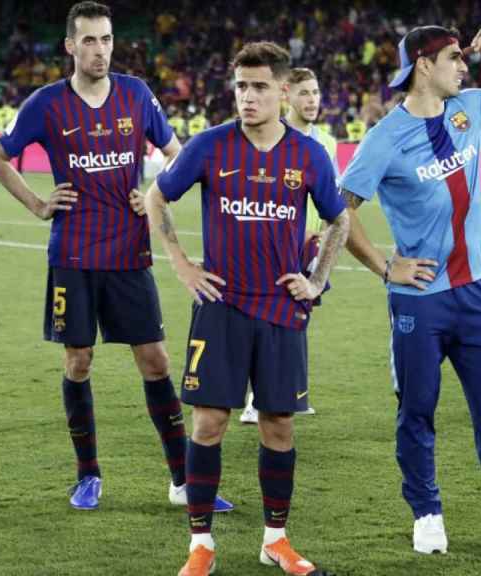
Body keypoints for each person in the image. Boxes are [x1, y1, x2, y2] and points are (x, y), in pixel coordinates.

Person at [339, 25, 481, 565]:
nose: (464, 67)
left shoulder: (469, 108)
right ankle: (426, 513)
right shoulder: (383, 138)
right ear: (424, 65)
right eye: (453, 58)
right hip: (420, 300)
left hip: (479, 295)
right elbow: (338, 208)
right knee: (417, 412)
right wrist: (384, 267)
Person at [0, 1, 231, 514]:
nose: (101, 50)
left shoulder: (137, 95)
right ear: (70, 46)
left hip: (128, 254)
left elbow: (176, 153)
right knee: (79, 360)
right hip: (72, 256)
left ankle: (183, 479)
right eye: (90, 40)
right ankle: (88, 474)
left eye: (107, 39)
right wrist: (37, 204)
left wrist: (156, 192)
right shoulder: (47, 104)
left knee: (157, 360)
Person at [142, 41, 349, 576]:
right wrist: (182, 265)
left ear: (283, 90)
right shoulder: (210, 146)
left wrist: (316, 279)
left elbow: (339, 218)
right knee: (209, 423)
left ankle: (275, 541)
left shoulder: (308, 154)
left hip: (281, 311)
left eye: (258, 86)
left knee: (278, 426)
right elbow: (156, 197)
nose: (247, 97)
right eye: (240, 86)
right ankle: (201, 544)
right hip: (222, 305)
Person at [241, 66, 337, 424]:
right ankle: (257, 397)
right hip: (273, 243)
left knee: (299, 315)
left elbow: (333, 199)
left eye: (315, 93)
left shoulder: (326, 142)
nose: (312, 100)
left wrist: (325, 238)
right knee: (267, 319)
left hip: (310, 245)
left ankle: (290, 390)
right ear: (287, 96)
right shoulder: (270, 135)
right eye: (304, 93)